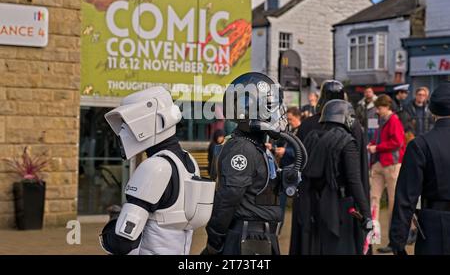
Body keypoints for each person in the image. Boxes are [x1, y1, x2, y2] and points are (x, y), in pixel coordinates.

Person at [99, 87, 215, 255]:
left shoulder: (155, 167)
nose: (123, 131)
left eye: (128, 123)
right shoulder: (188, 161)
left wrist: (112, 228)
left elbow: (123, 242)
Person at [202, 72, 306, 255]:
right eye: (270, 106)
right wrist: (214, 241)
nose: (278, 112)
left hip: (259, 239)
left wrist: (281, 177)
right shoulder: (241, 148)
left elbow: (256, 186)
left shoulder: (256, 145)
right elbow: (228, 198)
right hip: (245, 241)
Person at [290, 80, 371, 255]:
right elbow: (356, 176)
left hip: (313, 201)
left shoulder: (309, 128)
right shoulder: (352, 129)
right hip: (340, 203)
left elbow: (300, 167)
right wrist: (364, 210)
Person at [390, 82, 450, 255]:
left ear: (431, 111)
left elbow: (406, 198)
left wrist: (398, 242)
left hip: (435, 228)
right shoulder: (420, 145)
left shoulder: (420, 145)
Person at [367, 94, 405, 254]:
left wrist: (378, 147)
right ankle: (372, 237)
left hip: (392, 165)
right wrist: (373, 144)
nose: (377, 110)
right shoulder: (381, 119)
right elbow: (378, 138)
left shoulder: (394, 120)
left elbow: (398, 142)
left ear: (386, 107)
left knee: (393, 203)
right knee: (373, 199)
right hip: (380, 163)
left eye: (379, 107)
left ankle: (393, 241)